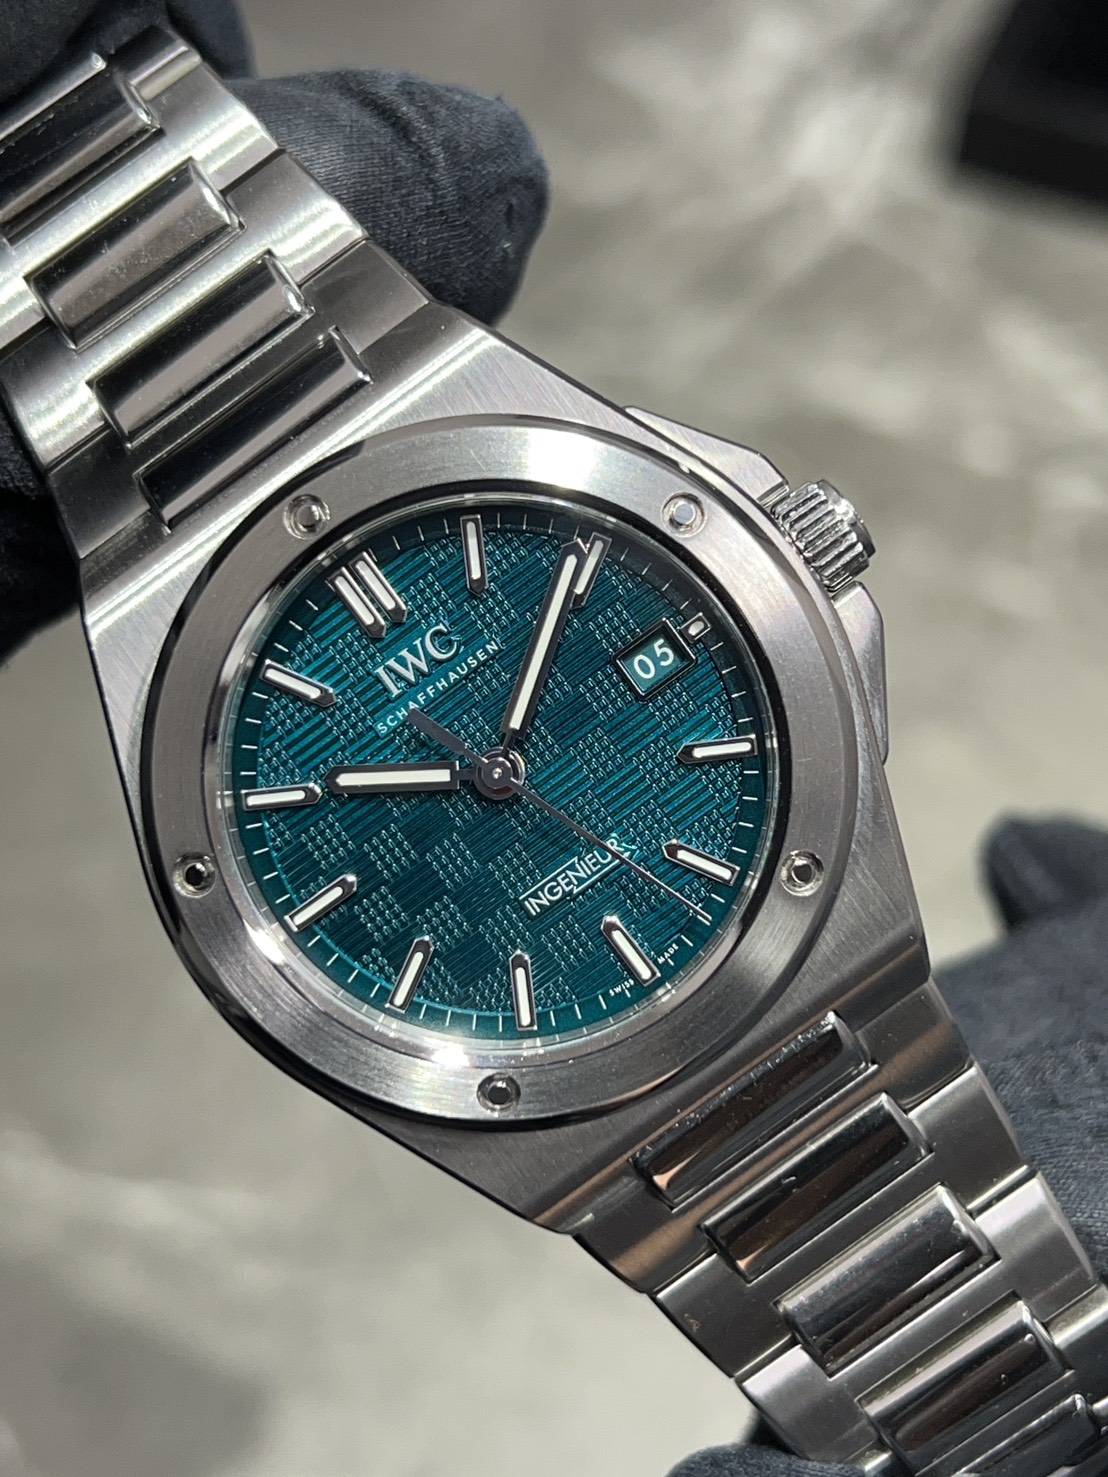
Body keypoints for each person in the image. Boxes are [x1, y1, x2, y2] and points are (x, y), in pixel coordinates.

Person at [2, 4, 1106, 1473]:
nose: (497, 769)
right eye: (483, 771)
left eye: (500, 756)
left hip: (778, 982)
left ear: (792, 553)